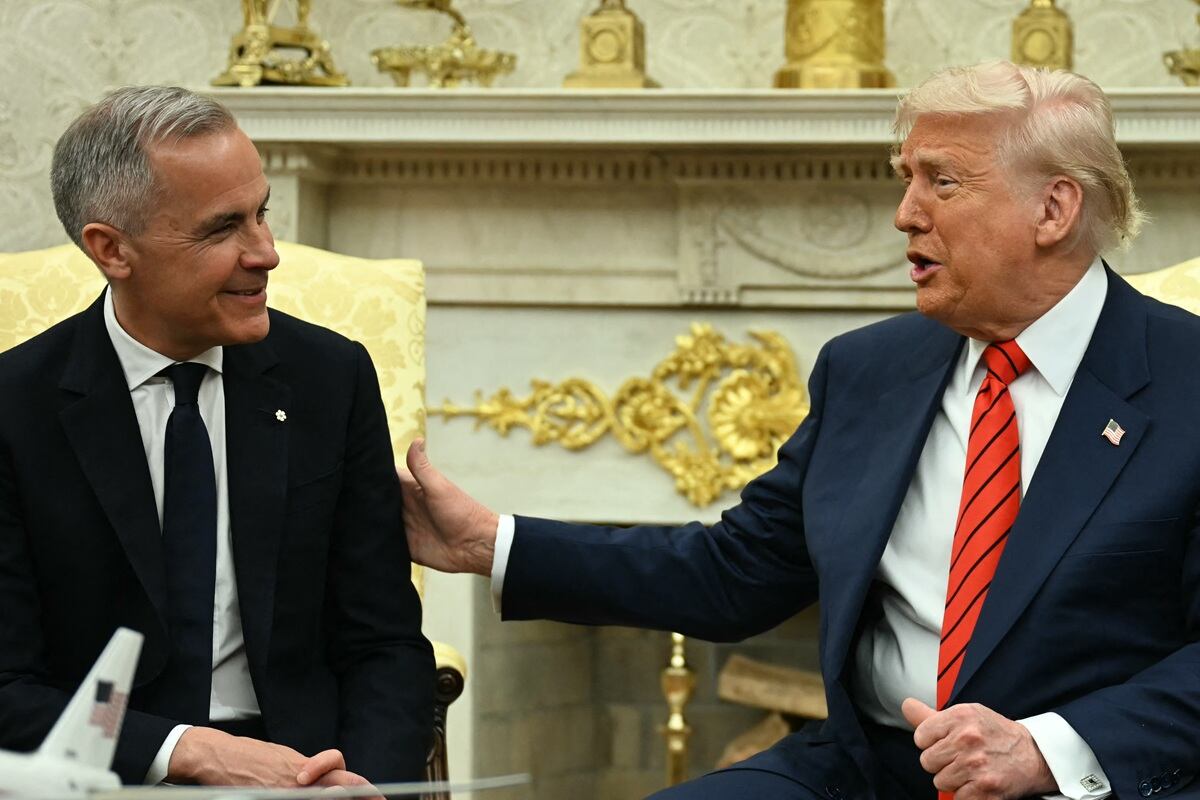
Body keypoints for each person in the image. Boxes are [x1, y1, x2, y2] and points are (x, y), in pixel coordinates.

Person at [401, 61, 1200, 800]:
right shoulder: (870, 369)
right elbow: (734, 572)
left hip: (1082, 778)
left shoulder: (1186, 381)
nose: (905, 214)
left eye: (942, 182)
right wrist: (491, 544)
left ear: (1053, 209)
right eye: (906, 179)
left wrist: (1047, 750)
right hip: (869, 770)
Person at [0, 87, 434, 787]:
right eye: (222, 228)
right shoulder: (16, 409)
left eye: (262, 213)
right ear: (112, 249)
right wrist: (186, 751)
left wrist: (367, 787)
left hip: (308, 773)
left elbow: (382, 644)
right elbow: (7, 685)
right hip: (104, 775)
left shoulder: (329, 377)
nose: (266, 253)